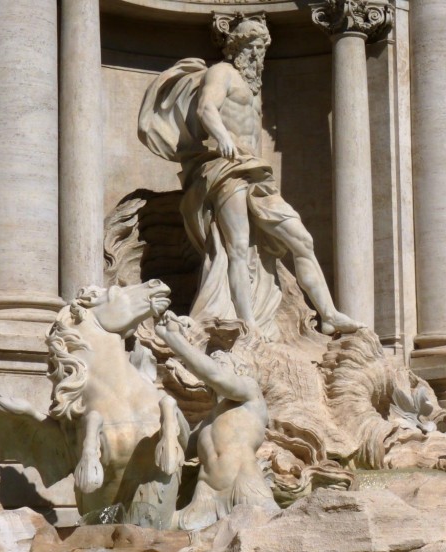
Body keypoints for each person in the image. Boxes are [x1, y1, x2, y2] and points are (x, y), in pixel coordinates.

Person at [139, 14, 361, 337]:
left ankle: (328, 314)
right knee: (238, 247)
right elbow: (205, 109)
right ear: (238, 48)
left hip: (256, 174)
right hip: (227, 170)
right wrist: (224, 137)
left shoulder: (253, 86)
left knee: (302, 240)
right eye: (253, 47)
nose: (258, 56)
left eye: (262, 48)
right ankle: (248, 324)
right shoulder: (222, 73)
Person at [155, 311, 278, 530]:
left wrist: (174, 340)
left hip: (245, 489)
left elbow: (215, 377)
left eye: (219, 363)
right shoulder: (209, 421)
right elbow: (181, 446)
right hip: (206, 497)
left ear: (239, 370)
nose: (211, 367)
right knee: (162, 530)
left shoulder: (250, 394)